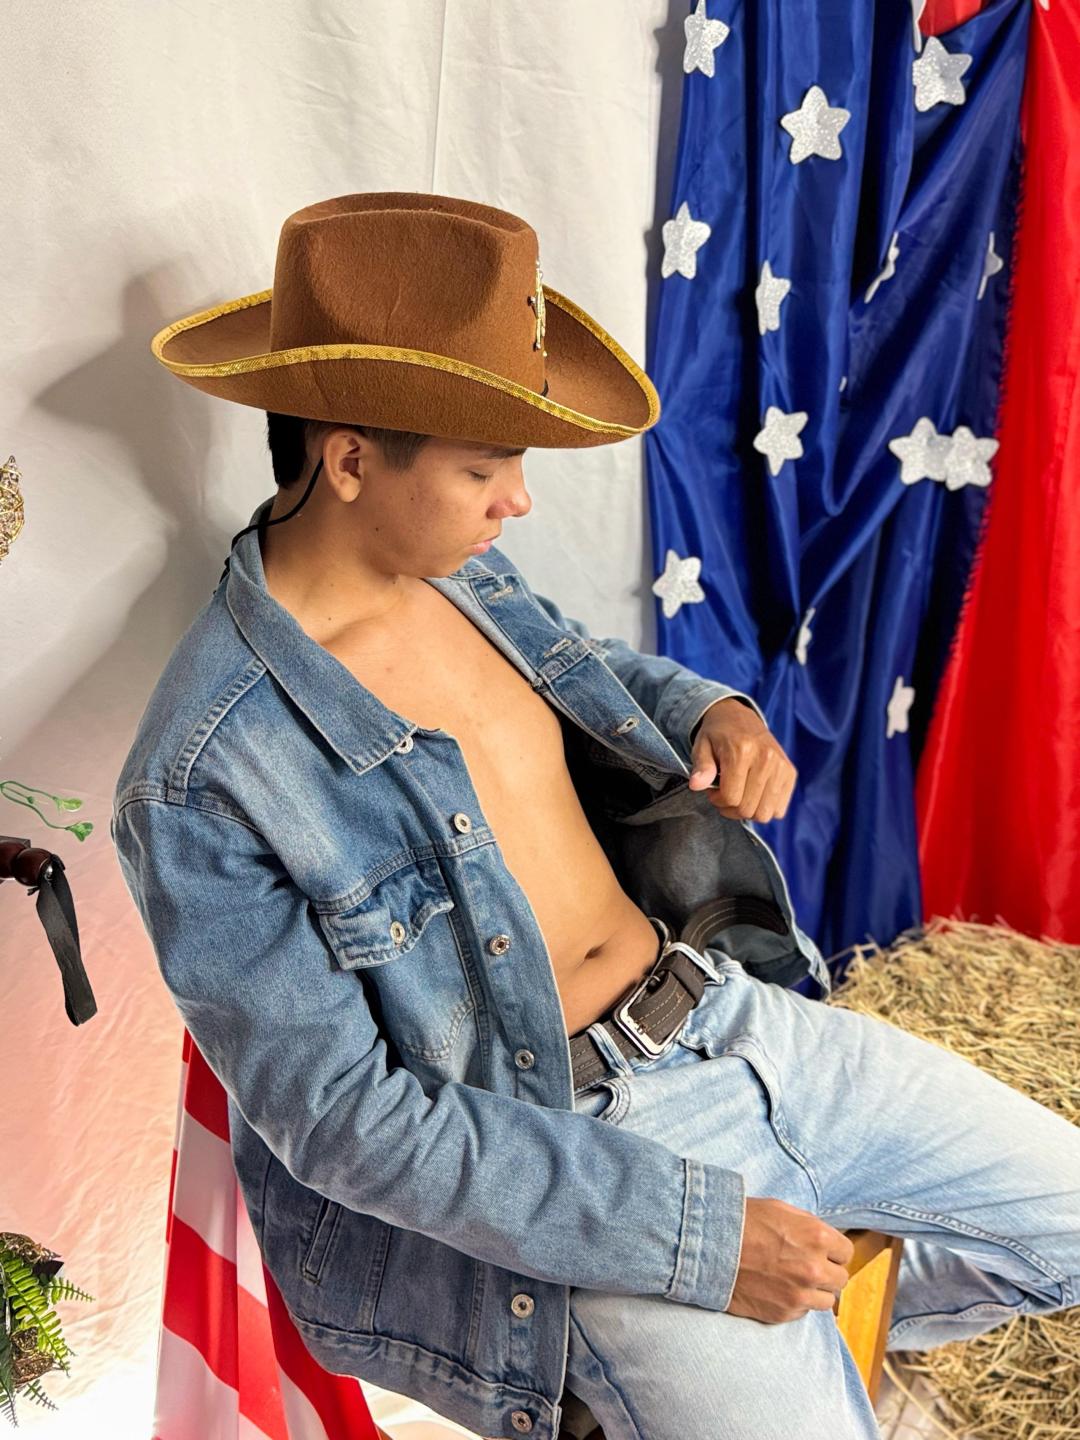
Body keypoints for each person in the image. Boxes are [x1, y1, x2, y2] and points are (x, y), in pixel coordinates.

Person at [113, 192, 1080, 1440]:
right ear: (347, 461)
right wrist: (696, 1240)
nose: (516, 502)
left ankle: (800, 1340)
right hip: (584, 1156)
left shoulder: (459, 571)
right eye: (484, 469)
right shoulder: (203, 772)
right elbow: (350, 1127)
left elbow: (587, 667)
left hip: (733, 1025)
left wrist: (708, 710)